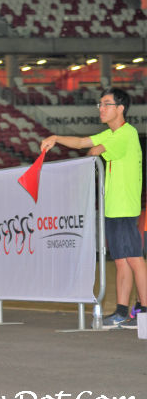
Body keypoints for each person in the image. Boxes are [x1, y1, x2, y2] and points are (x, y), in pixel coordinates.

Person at [40, 87, 146, 329]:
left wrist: (95, 148)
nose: (101, 108)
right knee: (121, 261)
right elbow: (81, 143)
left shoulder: (126, 133)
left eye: (106, 104)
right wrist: (55, 138)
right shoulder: (111, 134)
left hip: (125, 207)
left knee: (134, 259)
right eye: (100, 104)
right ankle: (122, 311)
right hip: (113, 208)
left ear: (120, 108)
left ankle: (144, 311)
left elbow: (94, 150)